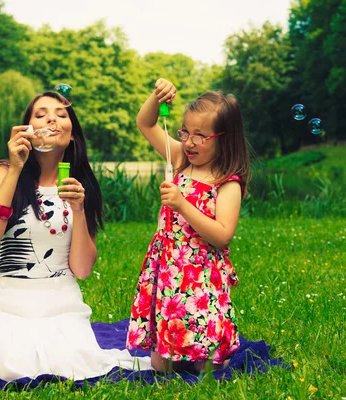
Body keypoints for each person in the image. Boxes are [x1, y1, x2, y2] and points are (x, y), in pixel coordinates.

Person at [0, 90, 151, 381]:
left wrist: (79, 209)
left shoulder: (80, 186)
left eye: (61, 114)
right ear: (27, 129)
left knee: (71, 363)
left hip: (61, 302)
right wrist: (16, 167)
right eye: (41, 114)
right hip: (7, 300)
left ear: (71, 135)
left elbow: (83, 269)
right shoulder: (4, 172)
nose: (51, 119)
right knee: (6, 362)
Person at [125, 78, 250, 373]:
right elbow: (145, 123)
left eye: (200, 135)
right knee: (160, 365)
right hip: (168, 267)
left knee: (205, 366)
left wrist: (182, 204)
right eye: (185, 132)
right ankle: (171, 347)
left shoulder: (226, 181)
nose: (189, 142)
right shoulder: (179, 158)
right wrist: (157, 97)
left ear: (224, 138)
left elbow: (222, 236)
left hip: (200, 275)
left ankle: (210, 349)